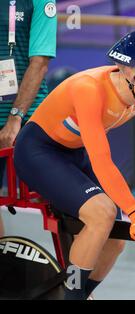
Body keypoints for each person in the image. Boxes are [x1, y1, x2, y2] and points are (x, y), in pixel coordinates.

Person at [13, 28, 135, 299]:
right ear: (127, 71)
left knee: (116, 238)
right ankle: (73, 295)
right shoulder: (88, 89)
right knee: (102, 214)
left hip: (75, 153)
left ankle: (78, 293)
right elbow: (102, 160)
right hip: (39, 151)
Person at [0, 0, 57, 237]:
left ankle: (73, 271)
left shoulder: (42, 1)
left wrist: (15, 117)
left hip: (26, 117)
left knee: (58, 205)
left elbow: (40, 63)